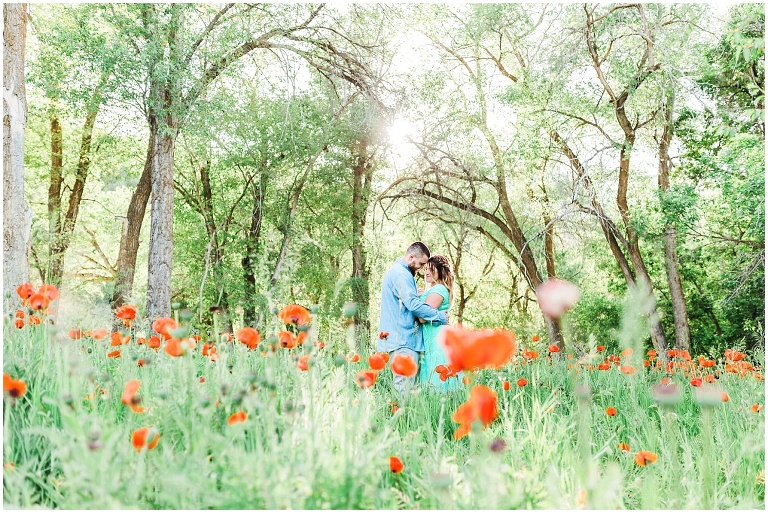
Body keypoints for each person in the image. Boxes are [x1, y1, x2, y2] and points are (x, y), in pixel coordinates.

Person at [378, 242, 448, 394]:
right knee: (404, 390)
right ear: (411, 257)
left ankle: (405, 417)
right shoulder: (401, 274)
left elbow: (406, 301)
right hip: (403, 340)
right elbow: (414, 305)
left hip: (402, 340)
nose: (421, 268)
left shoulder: (398, 273)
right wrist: (440, 317)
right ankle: (402, 418)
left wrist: (415, 293)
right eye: (421, 264)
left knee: (408, 389)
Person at [417, 255, 462, 391]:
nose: (427, 272)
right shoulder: (433, 289)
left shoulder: (440, 289)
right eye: (426, 269)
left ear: (441, 271)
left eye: (432, 269)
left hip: (436, 338)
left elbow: (422, 318)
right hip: (432, 336)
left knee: (437, 377)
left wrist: (417, 299)